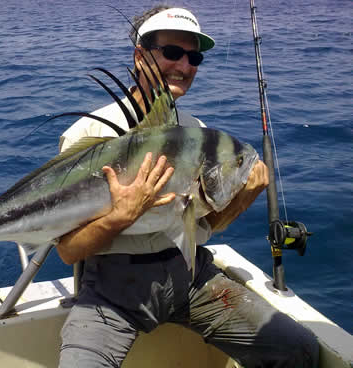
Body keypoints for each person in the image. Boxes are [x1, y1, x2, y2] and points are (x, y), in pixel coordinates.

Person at [56, 6, 319, 368]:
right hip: (110, 293)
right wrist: (119, 217)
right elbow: (69, 251)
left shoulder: (196, 132)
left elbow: (202, 223)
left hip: (191, 280)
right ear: (140, 55)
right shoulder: (92, 132)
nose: (184, 65)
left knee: (298, 348)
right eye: (172, 53)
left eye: (193, 57)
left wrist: (244, 196)